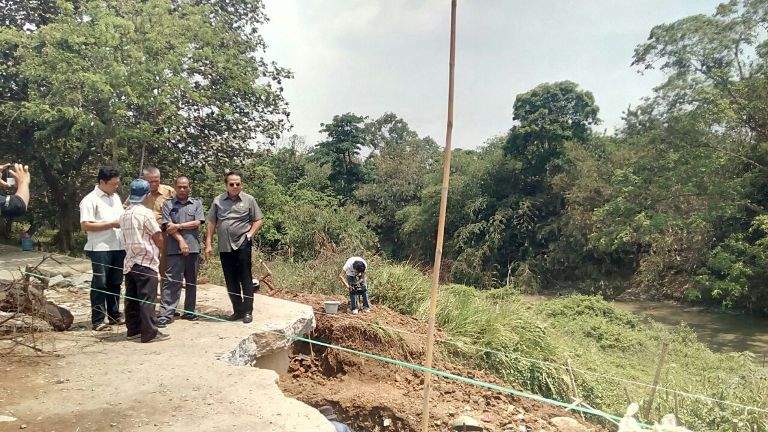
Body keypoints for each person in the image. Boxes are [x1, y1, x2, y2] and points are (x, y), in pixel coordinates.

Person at [205, 171, 263, 324]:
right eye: (232, 184)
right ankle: (237, 310)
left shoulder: (249, 200)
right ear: (226, 185)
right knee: (230, 280)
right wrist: (209, 243)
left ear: (241, 184)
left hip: (242, 244)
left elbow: (258, 220)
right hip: (225, 245)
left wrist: (249, 234)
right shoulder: (218, 201)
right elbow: (211, 222)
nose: (235, 186)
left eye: (238, 184)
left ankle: (248, 311)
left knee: (245, 278)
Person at [119, 179, 168, 343]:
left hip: (130, 261)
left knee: (131, 298)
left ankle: (133, 330)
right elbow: (157, 236)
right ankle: (149, 333)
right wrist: (162, 248)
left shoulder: (124, 214)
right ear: (146, 195)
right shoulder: (146, 213)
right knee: (147, 299)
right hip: (146, 261)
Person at [79, 166, 126, 331]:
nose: (116, 187)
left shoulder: (116, 198)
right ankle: (98, 319)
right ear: (102, 182)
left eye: (117, 184)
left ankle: (114, 315)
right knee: (100, 283)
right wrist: (111, 224)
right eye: (113, 184)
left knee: (116, 282)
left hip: (118, 246)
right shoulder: (89, 200)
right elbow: (86, 225)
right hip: (100, 247)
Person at [158, 176, 205, 327]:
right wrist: (181, 240)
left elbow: (197, 222)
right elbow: (167, 226)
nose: (182, 189)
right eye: (180, 187)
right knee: (172, 281)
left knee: (191, 281)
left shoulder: (196, 203)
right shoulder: (168, 204)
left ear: (189, 187)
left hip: (193, 249)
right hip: (174, 249)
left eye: (185, 187)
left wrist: (178, 226)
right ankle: (166, 314)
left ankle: (190, 311)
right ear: (175, 187)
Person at [139, 167, 174, 278]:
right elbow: (127, 207)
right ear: (144, 180)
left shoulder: (169, 191)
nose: (153, 184)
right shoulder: (139, 192)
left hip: (163, 233)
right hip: (144, 235)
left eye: (156, 180)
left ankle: (164, 292)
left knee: (164, 263)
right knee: (147, 263)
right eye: (150, 181)